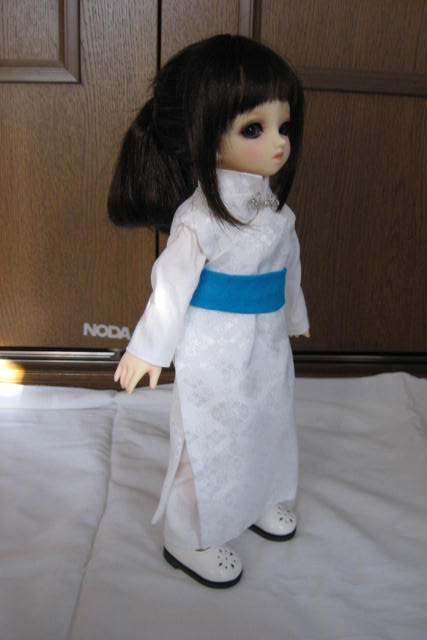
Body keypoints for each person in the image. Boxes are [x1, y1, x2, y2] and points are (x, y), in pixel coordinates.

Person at [108, 34, 310, 589]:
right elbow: (170, 288)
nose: (278, 143)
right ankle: (187, 533)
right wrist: (149, 349)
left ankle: (260, 495)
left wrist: (293, 316)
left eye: (284, 126)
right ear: (205, 135)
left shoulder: (275, 211)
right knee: (208, 434)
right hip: (214, 344)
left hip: (265, 341)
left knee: (269, 417)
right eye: (254, 129)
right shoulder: (199, 219)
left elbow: (288, 268)